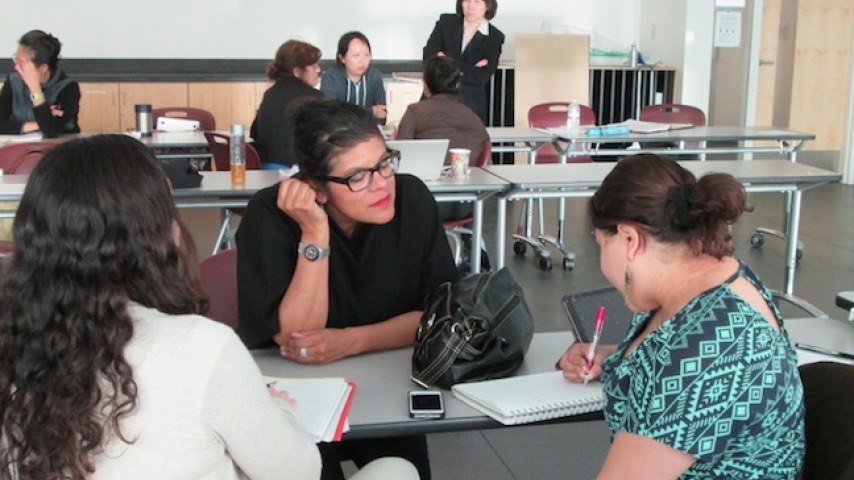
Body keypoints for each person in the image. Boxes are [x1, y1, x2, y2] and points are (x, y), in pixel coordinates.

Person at [0, 135, 321, 479]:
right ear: (152, 234)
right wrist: (279, 409)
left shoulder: (13, 339)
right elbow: (297, 473)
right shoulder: (201, 347)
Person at [236, 99, 458, 480]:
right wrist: (315, 233)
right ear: (316, 188)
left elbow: (442, 318)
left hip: (387, 384)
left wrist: (351, 341)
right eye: (358, 177)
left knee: (406, 469)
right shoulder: (269, 216)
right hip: (297, 396)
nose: (381, 183)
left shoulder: (413, 200)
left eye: (384, 162)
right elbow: (298, 338)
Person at [557, 153, 805, 479]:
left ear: (630, 239)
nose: (604, 266)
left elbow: (689, 371)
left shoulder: (710, 348)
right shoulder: (714, 281)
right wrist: (615, 357)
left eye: (603, 244)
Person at [396, 54, 488, 224]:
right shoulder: (472, 116)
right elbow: (486, 158)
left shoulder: (415, 112)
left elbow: (400, 157)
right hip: (468, 204)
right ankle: (473, 242)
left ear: (425, 86)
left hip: (423, 203)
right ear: (457, 84)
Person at [423, 0, 504, 125]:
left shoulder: (494, 37)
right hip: (436, 99)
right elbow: (429, 57)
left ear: (488, 6)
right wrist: (469, 68)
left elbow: (481, 76)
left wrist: (446, 60)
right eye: (466, 0)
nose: (470, 6)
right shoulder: (445, 23)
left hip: (470, 105)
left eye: (477, 2)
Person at [251, 39, 323, 168]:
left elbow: (254, 133)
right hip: (297, 174)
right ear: (297, 71)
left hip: (265, 171)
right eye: (313, 66)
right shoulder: (315, 97)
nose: (318, 70)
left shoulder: (270, 94)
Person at [0, 29, 80, 137]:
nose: (16, 67)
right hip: (19, 147)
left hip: (57, 150)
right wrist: (38, 124)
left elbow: (51, 131)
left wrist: (35, 90)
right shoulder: (13, 82)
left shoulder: (68, 88)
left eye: (22, 63)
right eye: (16, 60)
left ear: (43, 68)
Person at [320, 32, 387, 125]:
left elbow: (382, 114)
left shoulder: (374, 76)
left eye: (366, 55)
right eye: (356, 55)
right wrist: (371, 111)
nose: (362, 60)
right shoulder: (331, 77)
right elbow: (331, 114)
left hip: (367, 132)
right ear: (342, 58)